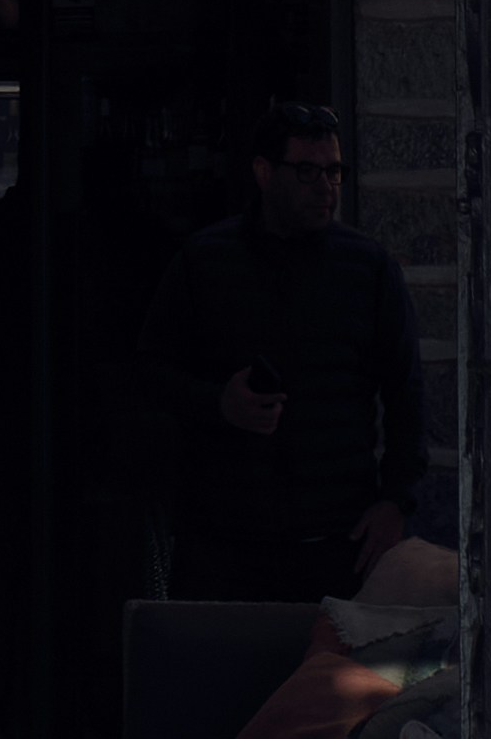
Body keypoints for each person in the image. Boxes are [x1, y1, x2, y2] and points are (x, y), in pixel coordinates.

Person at [154, 100, 423, 604]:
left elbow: (406, 391)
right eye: (306, 172)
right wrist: (219, 403)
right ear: (264, 172)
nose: (325, 187)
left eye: (334, 171)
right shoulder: (205, 262)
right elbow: (152, 377)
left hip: (335, 539)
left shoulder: (367, 269)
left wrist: (396, 501)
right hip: (224, 539)